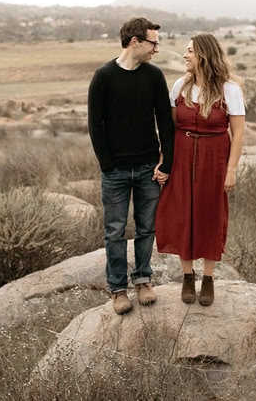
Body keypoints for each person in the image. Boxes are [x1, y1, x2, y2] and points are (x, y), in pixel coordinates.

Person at [87, 17, 174, 315]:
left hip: (149, 167)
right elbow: (95, 126)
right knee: (114, 231)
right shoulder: (104, 76)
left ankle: (143, 280)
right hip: (116, 171)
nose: (156, 50)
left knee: (147, 228)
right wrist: (108, 165)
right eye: (153, 43)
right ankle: (118, 289)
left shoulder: (154, 76)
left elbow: (165, 121)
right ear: (135, 41)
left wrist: (167, 161)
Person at [155, 33, 245, 306]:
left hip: (214, 158)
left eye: (190, 51)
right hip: (182, 156)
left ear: (204, 55)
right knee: (182, 213)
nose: (185, 55)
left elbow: (238, 133)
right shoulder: (180, 86)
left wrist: (231, 170)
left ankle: (208, 278)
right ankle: (187, 276)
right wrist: (164, 162)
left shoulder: (229, 89)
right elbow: (169, 130)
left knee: (210, 214)